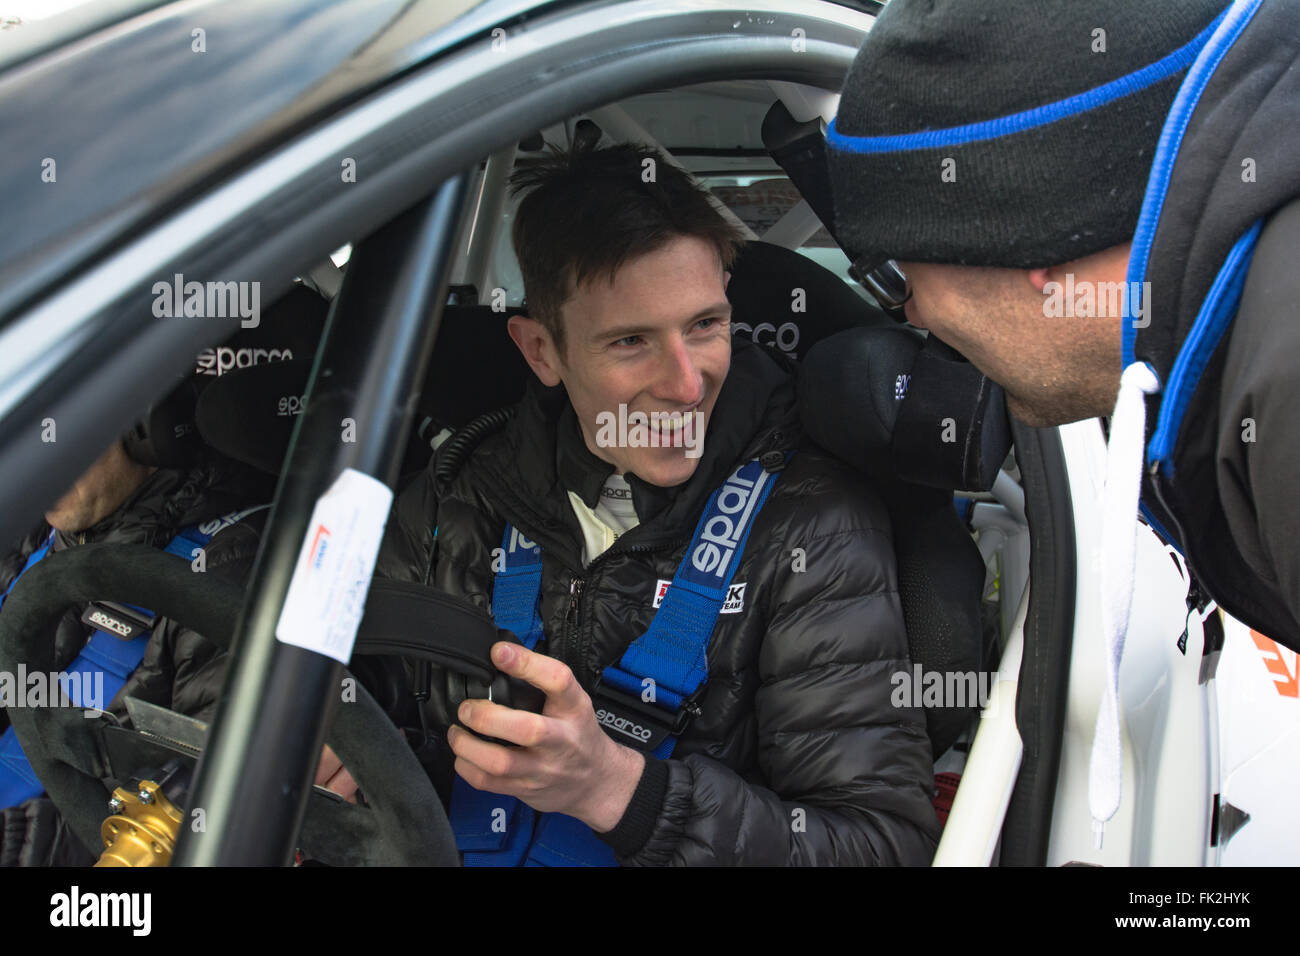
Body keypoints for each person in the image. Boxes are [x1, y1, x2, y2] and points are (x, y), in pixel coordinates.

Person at [376, 140, 940, 866]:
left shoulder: (813, 525)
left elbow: (883, 848)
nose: (685, 384)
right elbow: (348, 690)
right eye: (632, 341)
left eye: (705, 326)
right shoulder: (458, 495)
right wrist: (329, 735)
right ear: (541, 351)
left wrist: (623, 792)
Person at [824, 0, 1300, 654]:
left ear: (1025, 246)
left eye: (905, 275)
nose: (911, 315)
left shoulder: (1282, 379)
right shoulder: (1248, 329)